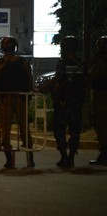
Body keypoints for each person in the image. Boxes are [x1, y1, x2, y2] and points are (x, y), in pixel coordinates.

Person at [40, 36, 87, 168]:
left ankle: (64, 157)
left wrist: (43, 88)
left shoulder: (63, 62)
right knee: (75, 131)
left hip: (63, 102)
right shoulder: (81, 64)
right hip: (76, 102)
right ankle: (71, 157)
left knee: (59, 130)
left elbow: (57, 78)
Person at [0, 36, 35, 168]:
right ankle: (30, 158)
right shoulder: (23, 62)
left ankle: (9, 160)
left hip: (6, 99)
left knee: (6, 130)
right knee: (24, 129)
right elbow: (29, 81)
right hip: (20, 98)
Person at [89, 36, 107, 165]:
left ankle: (104, 154)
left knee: (101, 124)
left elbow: (93, 74)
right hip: (100, 93)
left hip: (102, 94)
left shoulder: (101, 60)